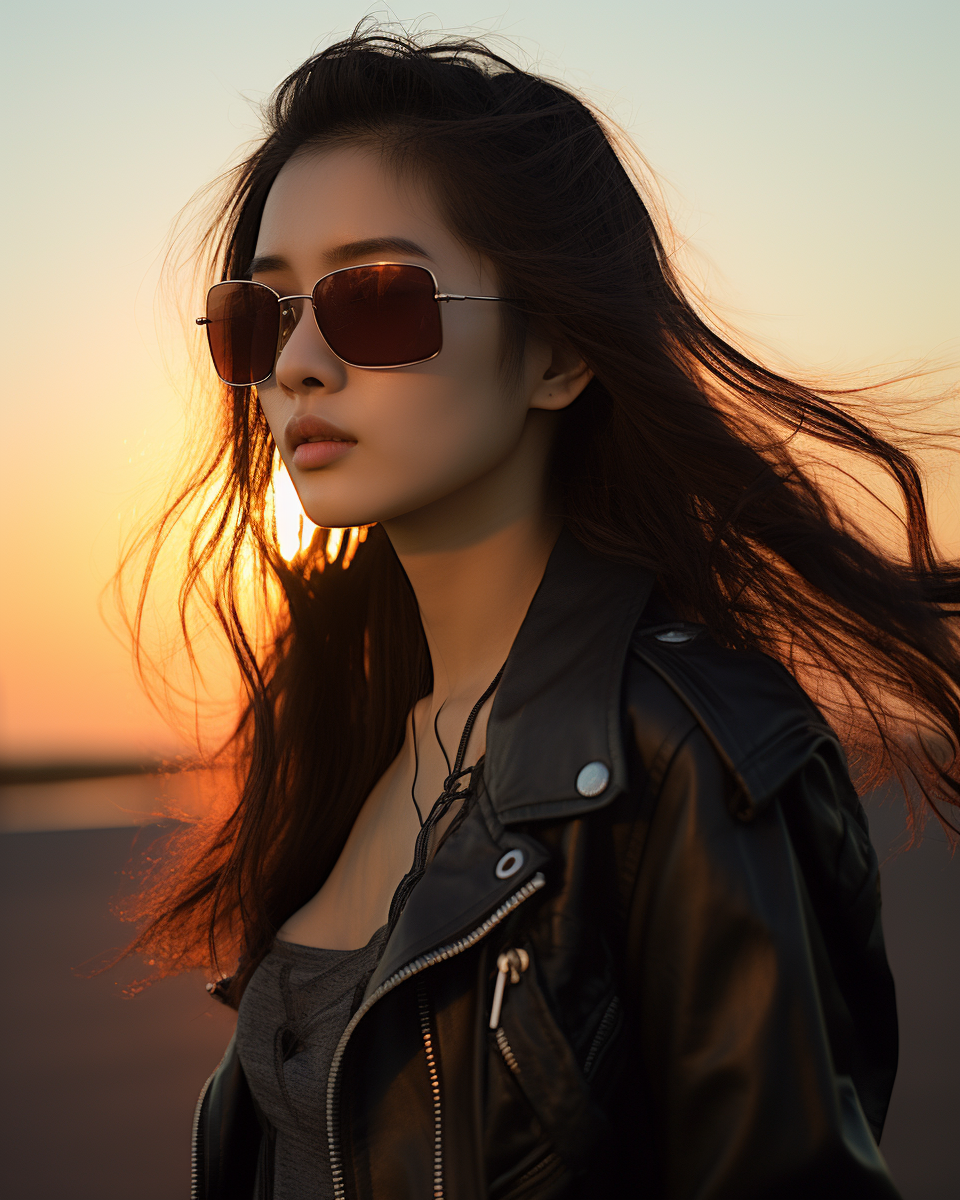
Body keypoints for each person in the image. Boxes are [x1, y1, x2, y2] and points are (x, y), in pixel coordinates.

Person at [119, 25, 960, 1200]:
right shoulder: (356, 739)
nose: (298, 363)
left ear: (558, 353)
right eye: (259, 317)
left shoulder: (688, 756)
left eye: (372, 299)